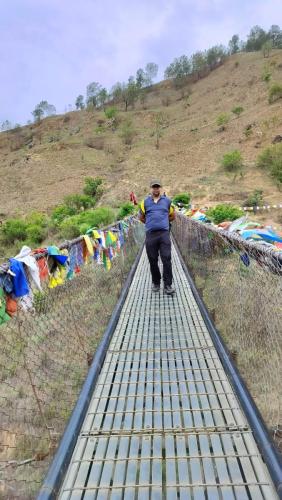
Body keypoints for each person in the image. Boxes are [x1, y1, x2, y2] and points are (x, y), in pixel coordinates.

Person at [139, 180, 175, 295]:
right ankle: (156, 282)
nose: (156, 189)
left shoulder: (168, 201)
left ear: (160, 188)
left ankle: (168, 285)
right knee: (152, 259)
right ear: (151, 189)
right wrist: (151, 223)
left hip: (164, 234)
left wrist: (163, 222)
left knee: (167, 258)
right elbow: (141, 217)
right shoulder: (144, 202)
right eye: (154, 187)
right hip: (151, 235)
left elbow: (172, 216)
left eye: (157, 187)